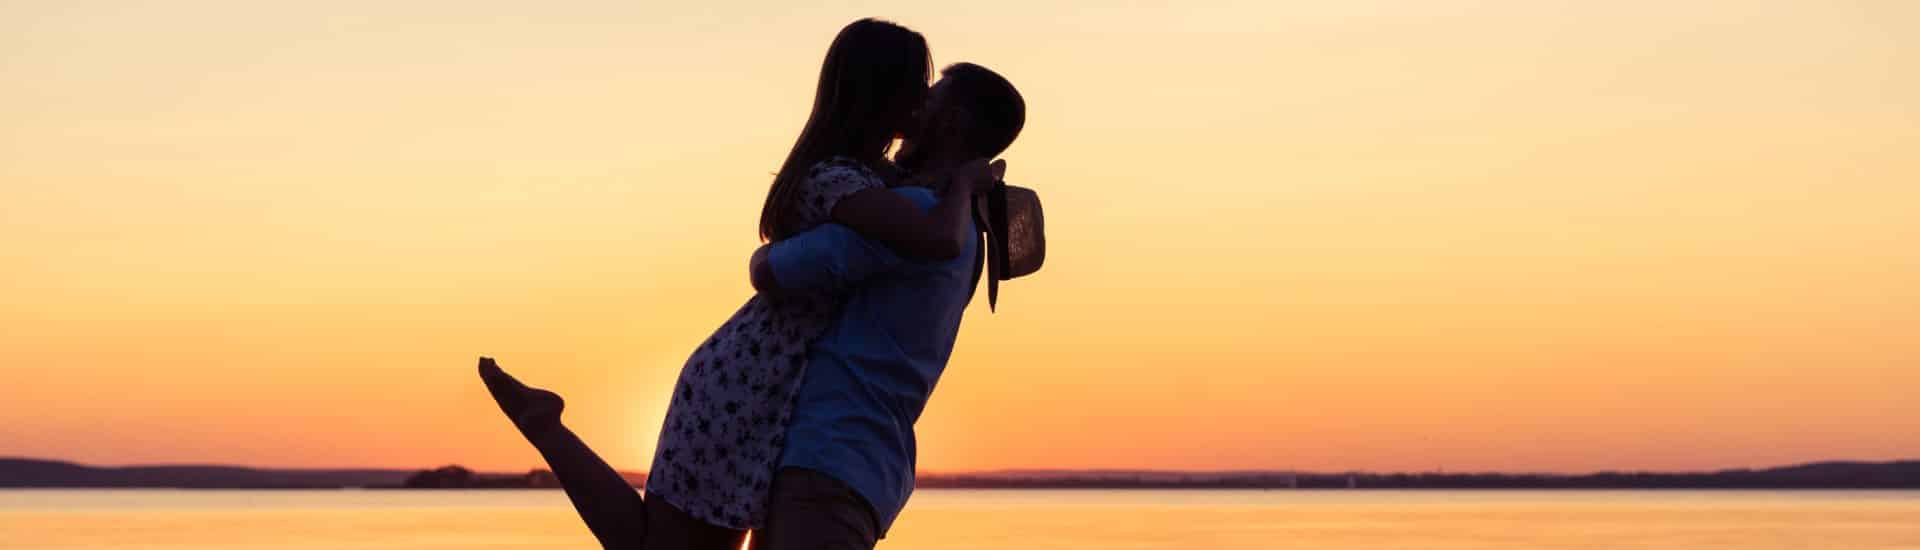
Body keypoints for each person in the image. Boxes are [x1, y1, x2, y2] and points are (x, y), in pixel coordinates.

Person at [475, 18, 1004, 550]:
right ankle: (547, 429)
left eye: (930, 92)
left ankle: (545, 426)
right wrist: (965, 184)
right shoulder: (840, 181)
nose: (921, 102)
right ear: (882, 94)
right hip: (749, 385)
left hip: (768, 394)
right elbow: (932, 238)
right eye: (918, 86)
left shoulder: (880, 184)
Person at [750, 61, 1028, 550]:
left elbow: (774, 272)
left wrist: (764, 249)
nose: (915, 110)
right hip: (862, 466)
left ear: (953, 122)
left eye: (930, 99)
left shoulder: (917, 221)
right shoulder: (964, 229)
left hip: (829, 457)